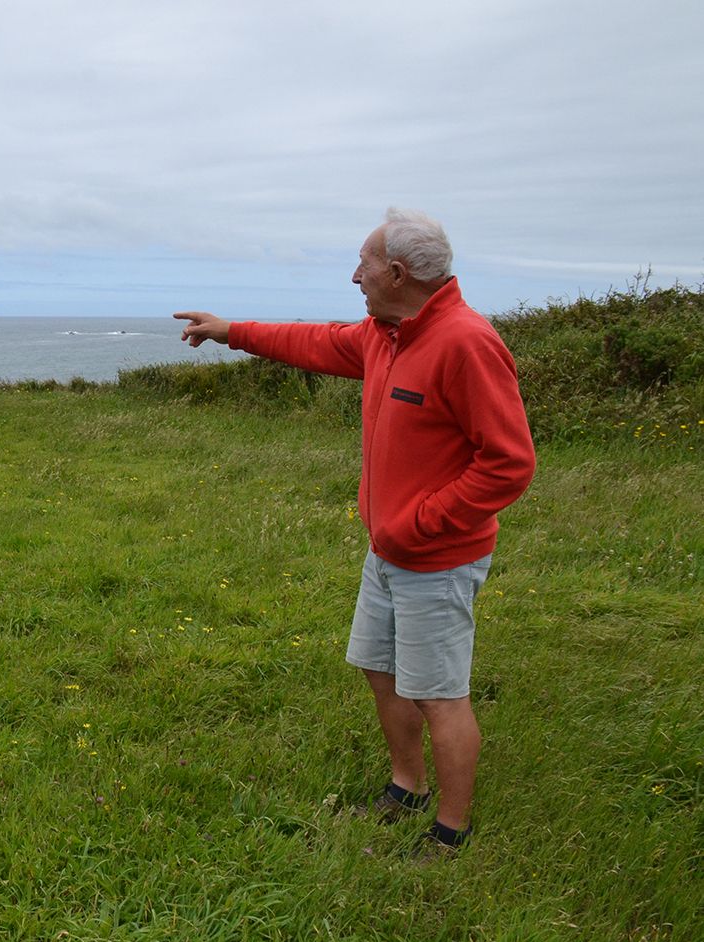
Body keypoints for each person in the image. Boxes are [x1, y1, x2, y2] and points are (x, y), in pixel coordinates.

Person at [174, 208, 536, 853]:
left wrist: (423, 522)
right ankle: (407, 785)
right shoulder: (385, 334)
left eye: (363, 265)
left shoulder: (464, 341)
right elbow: (312, 341)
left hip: (437, 558)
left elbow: (508, 464)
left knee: (439, 695)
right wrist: (231, 331)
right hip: (389, 550)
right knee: (379, 668)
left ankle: (451, 829)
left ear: (397, 273)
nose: (354, 277)